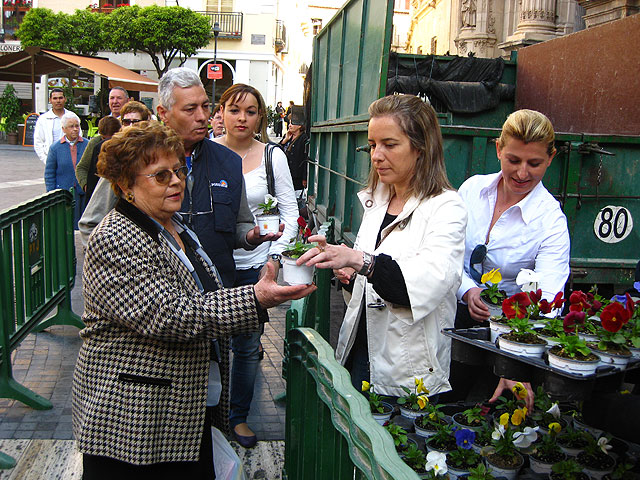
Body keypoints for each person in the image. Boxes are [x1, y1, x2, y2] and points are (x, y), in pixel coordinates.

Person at [72, 122, 315, 478]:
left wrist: (258, 291)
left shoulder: (171, 225)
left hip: (178, 409)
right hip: (134, 418)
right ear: (125, 185)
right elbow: (171, 316)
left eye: (179, 170)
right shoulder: (117, 237)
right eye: (160, 175)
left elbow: (203, 296)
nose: (176, 181)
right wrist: (256, 298)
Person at [297, 94, 467, 398]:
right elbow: (368, 279)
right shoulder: (378, 200)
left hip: (408, 371)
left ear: (421, 148)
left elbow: (421, 286)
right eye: (373, 145)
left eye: (389, 144)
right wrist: (346, 269)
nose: (376, 156)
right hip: (360, 352)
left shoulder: (446, 208)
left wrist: (360, 261)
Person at [442, 109, 571, 407]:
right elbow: (447, 252)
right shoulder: (473, 190)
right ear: (498, 149)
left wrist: (515, 360)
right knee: (443, 402)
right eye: (513, 160)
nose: (522, 173)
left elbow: (549, 298)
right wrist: (467, 289)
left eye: (534, 163)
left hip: (513, 332)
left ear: (551, 158)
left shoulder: (550, 221)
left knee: (497, 415)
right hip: (456, 317)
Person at [214, 84, 299, 448]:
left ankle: (238, 417)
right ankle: (208, 416)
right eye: (235, 110)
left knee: (246, 345)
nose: (242, 118)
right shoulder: (208, 152)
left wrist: (274, 258)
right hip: (214, 264)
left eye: (250, 111)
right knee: (209, 344)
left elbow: (290, 213)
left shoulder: (271, 156)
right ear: (222, 113)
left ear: (261, 116)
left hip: (255, 266)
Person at [44, 111, 88, 229]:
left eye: (77, 126)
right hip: (63, 194)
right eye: (71, 126)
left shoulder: (88, 145)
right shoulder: (55, 148)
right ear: (63, 129)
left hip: (83, 193)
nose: (75, 129)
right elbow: (49, 174)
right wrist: (51, 193)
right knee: (65, 225)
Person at [75, 116, 121, 200]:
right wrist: (87, 186)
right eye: (103, 138)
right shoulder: (95, 143)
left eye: (111, 138)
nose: (106, 142)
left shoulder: (122, 144)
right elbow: (81, 168)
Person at [34, 88, 71, 164]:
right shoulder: (43, 119)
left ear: (65, 99)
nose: (58, 101)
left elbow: (78, 138)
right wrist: (46, 160)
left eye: (60, 98)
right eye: (55, 98)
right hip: (50, 158)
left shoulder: (72, 117)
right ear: (50, 100)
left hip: (69, 159)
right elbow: (38, 142)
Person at [280, 121, 308, 213]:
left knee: (296, 199)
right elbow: (278, 151)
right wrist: (285, 140)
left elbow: (305, 159)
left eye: (293, 123)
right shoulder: (288, 136)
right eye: (289, 123)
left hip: (297, 175)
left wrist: (304, 177)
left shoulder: (304, 138)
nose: (289, 125)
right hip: (286, 174)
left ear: (299, 125)